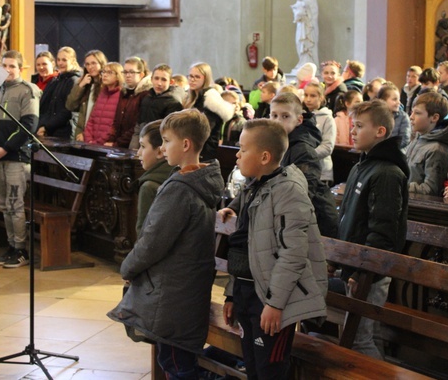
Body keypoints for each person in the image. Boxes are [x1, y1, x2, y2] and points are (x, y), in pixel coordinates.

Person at [108, 109, 223, 378]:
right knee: (176, 360)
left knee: (176, 364)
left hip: (173, 293)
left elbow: (152, 242)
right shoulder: (203, 179)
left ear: (185, 144)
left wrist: (128, 268)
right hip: (186, 287)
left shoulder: (180, 189)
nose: (163, 147)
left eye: (167, 141)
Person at [220, 119, 327, 377]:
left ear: (265, 156)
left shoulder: (289, 191)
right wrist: (232, 294)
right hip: (248, 292)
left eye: (243, 149)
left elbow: (293, 253)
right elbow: (243, 248)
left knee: (271, 370)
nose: (237, 154)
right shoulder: (253, 187)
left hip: (273, 300)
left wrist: (275, 304)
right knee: (253, 367)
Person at [335, 100, 409, 359]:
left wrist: (363, 270)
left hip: (369, 271)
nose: (352, 131)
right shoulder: (361, 166)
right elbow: (348, 219)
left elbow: (383, 230)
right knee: (368, 335)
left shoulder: (387, 172)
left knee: (357, 340)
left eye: (358, 126)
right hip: (354, 264)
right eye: (352, 125)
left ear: (380, 131)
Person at [0, 50, 41, 268]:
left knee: (15, 205)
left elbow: (29, 126)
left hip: (15, 157)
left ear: (20, 68)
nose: (7, 70)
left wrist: (5, 148)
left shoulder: (27, 91)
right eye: (4, 65)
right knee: (4, 204)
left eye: (12, 66)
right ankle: (11, 246)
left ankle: (21, 250)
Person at [272, 92, 340, 237]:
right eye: (274, 115)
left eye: (285, 116)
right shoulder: (275, 145)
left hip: (317, 222)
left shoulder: (303, 151)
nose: (278, 121)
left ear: (299, 120)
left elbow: (303, 193)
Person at [406, 92, 448, 196]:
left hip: (420, 206)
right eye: (412, 112)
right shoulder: (419, 137)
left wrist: (401, 185)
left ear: (434, 118)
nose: (411, 117)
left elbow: (430, 189)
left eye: (417, 113)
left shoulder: (437, 149)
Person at [183, 62, 234, 161]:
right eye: (190, 76)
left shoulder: (210, 99)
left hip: (205, 150)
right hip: (192, 147)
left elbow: (205, 129)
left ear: (205, 78)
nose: (192, 80)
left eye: (197, 77)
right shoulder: (191, 98)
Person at [135, 120, 174, 238]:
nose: (138, 152)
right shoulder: (176, 175)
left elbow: (143, 234)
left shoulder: (149, 186)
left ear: (159, 152)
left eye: (142, 146)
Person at [107, 56, 152, 148]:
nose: (127, 75)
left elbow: (137, 125)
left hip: (133, 144)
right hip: (119, 143)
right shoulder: (123, 92)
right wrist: (111, 139)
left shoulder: (145, 95)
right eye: (125, 72)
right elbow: (117, 120)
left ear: (141, 75)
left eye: (131, 72)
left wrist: (117, 143)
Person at [37, 46, 82, 139]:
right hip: (53, 130)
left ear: (73, 61)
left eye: (64, 60)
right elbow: (50, 107)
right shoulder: (58, 79)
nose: (60, 63)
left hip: (65, 131)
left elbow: (67, 111)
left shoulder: (73, 80)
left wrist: (46, 126)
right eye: (59, 59)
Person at [66, 50, 108, 141]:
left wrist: (87, 134)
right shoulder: (85, 84)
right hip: (81, 134)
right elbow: (70, 105)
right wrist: (81, 85)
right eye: (87, 64)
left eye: (93, 63)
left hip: (96, 136)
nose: (90, 67)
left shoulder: (106, 86)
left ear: (101, 64)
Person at [303, 81, 337, 186]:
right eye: (306, 95)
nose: (308, 99)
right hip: (303, 170)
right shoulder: (301, 116)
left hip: (321, 172)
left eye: (313, 96)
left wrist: (306, 154)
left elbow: (327, 146)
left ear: (321, 97)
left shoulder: (327, 118)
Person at [84, 62, 123, 145]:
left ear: (118, 76)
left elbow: (114, 125)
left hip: (106, 144)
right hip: (92, 142)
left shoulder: (121, 95)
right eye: (103, 72)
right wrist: (88, 139)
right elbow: (92, 118)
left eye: (109, 72)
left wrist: (98, 142)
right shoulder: (102, 93)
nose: (104, 75)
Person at [137, 63, 183, 130]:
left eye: (164, 79)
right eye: (156, 78)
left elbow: (168, 129)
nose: (159, 83)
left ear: (171, 82)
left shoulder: (173, 102)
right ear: (151, 79)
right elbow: (139, 124)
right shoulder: (146, 97)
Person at [291, 0, 320, 70]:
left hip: (309, 25)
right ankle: (302, 62)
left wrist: (307, 16)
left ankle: (309, 63)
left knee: (308, 44)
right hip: (301, 24)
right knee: (299, 42)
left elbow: (314, 11)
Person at [378, 84, 411, 150]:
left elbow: (405, 139)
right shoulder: (376, 115)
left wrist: (388, 149)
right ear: (383, 101)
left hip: (396, 153)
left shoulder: (403, 117)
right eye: (394, 99)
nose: (399, 102)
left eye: (399, 99)